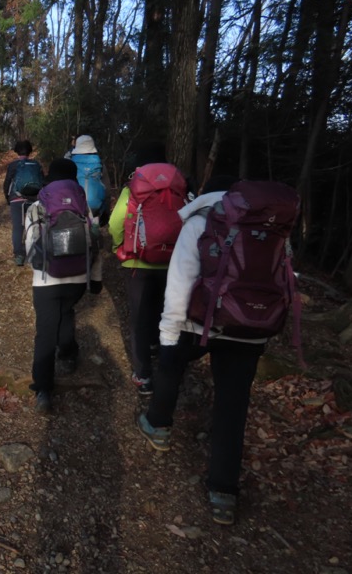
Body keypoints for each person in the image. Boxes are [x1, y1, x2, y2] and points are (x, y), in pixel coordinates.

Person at [135, 175, 259, 526]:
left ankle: (158, 425)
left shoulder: (201, 222)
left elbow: (180, 282)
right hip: (250, 329)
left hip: (197, 323)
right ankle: (223, 491)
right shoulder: (270, 225)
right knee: (232, 408)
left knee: (171, 364)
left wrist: (168, 333)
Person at [24, 158, 102, 413]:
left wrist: (41, 268)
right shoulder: (83, 206)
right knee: (67, 313)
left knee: (45, 332)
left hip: (47, 280)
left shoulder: (37, 206)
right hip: (79, 277)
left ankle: (44, 389)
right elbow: (94, 243)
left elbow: (29, 246)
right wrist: (96, 278)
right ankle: (68, 355)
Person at [109, 150, 186, 396]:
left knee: (139, 319)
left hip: (137, 264)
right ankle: (160, 353)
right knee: (164, 311)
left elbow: (114, 224)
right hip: (172, 262)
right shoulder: (180, 191)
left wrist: (120, 247)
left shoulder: (131, 190)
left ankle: (143, 375)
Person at [3, 140, 44, 266]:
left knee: (17, 228)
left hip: (17, 199)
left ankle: (19, 256)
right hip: (34, 199)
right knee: (37, 225)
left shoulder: (13, 165)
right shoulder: (36, 164)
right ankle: (38, 253)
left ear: (16, 151)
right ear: (30, 151)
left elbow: (7, 183)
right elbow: (42, 181)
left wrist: (8, 198)